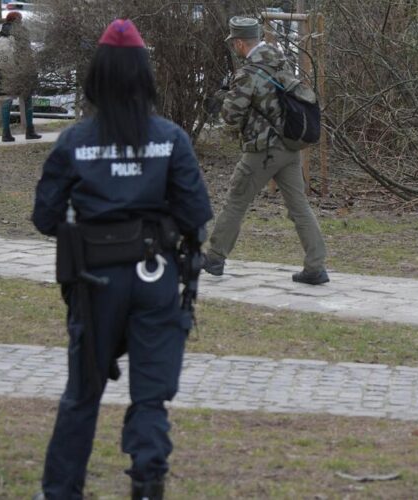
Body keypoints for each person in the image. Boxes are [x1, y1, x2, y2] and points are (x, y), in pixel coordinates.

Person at [31, 19, 212, 500]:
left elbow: (45, 217)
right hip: (155, 276)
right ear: (144, 76)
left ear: (97, 77)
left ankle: (60, 491)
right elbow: (197, 215)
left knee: (82, 396)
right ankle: (148, 482)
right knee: (150, 393)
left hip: (94, 283)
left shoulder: (75, 142)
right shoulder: (171, 139)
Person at [202, 16, 329, 285]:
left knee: (236, 201)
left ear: (239, 43)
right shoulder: (281, 62)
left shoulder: (248, 74)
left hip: (262, 150)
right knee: (299, 207)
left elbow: (231, 117)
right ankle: (316, 266)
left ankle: (214, 257)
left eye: (233, 43)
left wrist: (222, 100)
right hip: (289, 147)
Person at [0, 11, 41, 142]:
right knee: (27, 100)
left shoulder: (1, 35)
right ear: (17, 20)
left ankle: (6, 134)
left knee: (7, 102)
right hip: (21, 71)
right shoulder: (21, 33)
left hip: (5, 73)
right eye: (20, 19)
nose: (21, 21)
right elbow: (26, 53)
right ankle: (30, 131)